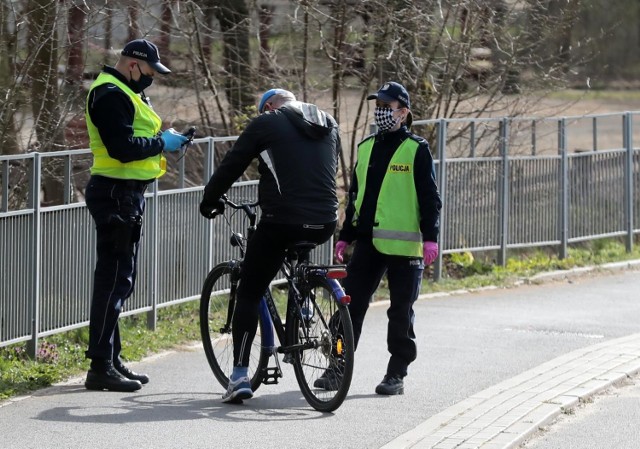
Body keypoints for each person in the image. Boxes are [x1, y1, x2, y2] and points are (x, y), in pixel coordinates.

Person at [199, 88, 341, 403]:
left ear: (270, 107)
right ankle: (301, 310)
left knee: (250, 289)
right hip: (326, 220)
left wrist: (210, 198)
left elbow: (233, 164)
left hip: (282, 220)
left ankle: (238, 376)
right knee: (298, 259)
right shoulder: (328, 120)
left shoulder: (267, 123)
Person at [315, 81, 442, 395]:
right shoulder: (366, 146)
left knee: (400, 313)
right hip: (369, 243)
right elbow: (357, 197)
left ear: (404, 112)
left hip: (406, 247)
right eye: (379, 106)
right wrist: (346, 236)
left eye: (388, 107)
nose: (381, 112)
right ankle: (337, 367)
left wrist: (431, 238)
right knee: (349, 307)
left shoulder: (417, 149)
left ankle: (395, 373)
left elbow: (430, 198)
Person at [84, 38, 189, 392]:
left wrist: (164, 137)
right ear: (133, 65)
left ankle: (111, 359)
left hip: (126, 194)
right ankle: (100, 365)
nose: (151, 79)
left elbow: (135, 136)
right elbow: (122, 147)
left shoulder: (124, 92)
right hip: (116, 194)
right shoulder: (111, 94)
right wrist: (163, 143)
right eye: (149, 71)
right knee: (114, 280)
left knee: (119, 279)